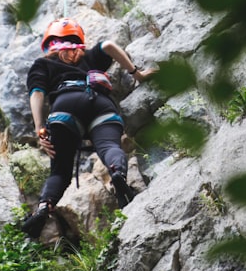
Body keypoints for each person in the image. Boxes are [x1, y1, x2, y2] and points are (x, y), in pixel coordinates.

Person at [21, 17, 155, 238]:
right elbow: (110, 46)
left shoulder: (42, 64)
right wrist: (136, 74)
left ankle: (44, 207)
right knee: (109, 146)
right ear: (78, 39)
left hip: (65, 108)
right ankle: (118, 174)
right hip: (99, 104)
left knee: (60, 170)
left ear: (49, 43)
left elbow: (37, 93)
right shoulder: (89, 57)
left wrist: (39, 128)